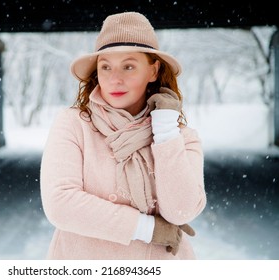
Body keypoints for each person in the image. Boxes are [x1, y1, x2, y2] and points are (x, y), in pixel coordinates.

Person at [40, 11, 207, 260]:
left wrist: (164, 131)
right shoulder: (74, 124)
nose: (114, 79)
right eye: (105, 66)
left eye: (128, 66)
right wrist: (147, 228)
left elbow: (181, 211)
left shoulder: (180, 137)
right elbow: (60, 204)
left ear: (153, 71)